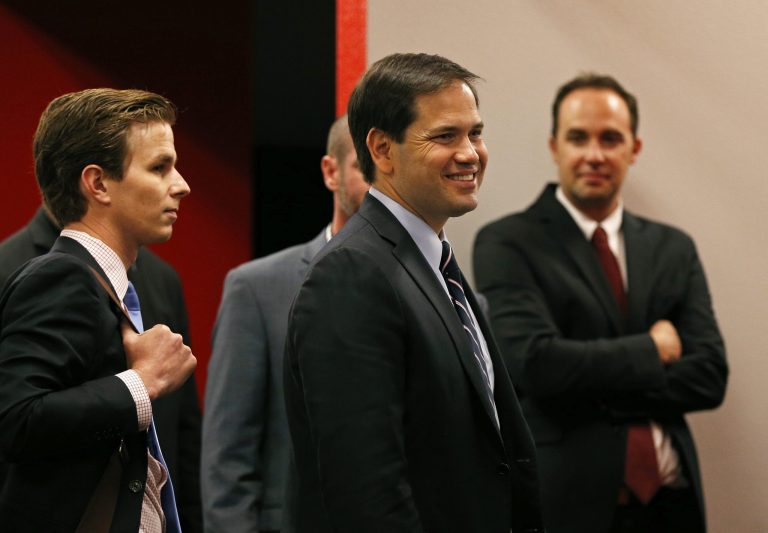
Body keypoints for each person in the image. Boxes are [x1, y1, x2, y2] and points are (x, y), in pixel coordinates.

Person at [282, 53, 544, 533]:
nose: (470, 153)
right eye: (445, 136)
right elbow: (367, 492)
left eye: (476, 133)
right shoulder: (351, 275)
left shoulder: (433, 262)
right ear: (382, 150)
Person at [473, 74, 728, 533]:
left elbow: (709, 376)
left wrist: (585, 379)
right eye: (578, 138)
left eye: (611, 138)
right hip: (570, 507)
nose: (594, 154)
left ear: (635, 148)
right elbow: (535, 366)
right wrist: (652, 352)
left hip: (673, 506)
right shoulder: (508, 243)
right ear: (554, 147)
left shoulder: (673, 248)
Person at [0, 88, 197, 532]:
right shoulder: (61, 277)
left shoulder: (105, 280)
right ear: (98, 183)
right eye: (159, 167)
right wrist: (141, 383)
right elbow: (16, 419)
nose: (181, 184)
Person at [201, 115, 367, 533]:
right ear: (331, 172)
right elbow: (228, 456)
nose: (384, 185)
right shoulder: (257, 289)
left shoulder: (448, 294)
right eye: (367, 167)